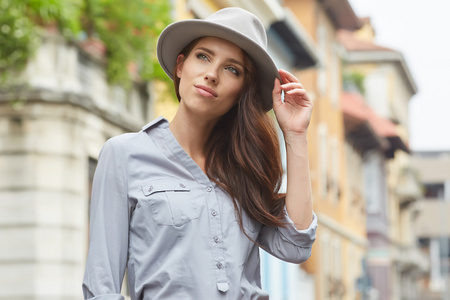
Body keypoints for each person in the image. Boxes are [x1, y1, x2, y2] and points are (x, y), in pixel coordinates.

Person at [82, 7, 317, 300]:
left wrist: (295, 135)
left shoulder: (245, 168)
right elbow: (100, 288)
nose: (211, 75)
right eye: (203, 56)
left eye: (232, 69)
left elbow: (295, 246)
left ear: (242, 90)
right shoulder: (124, 154)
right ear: (181, 65)